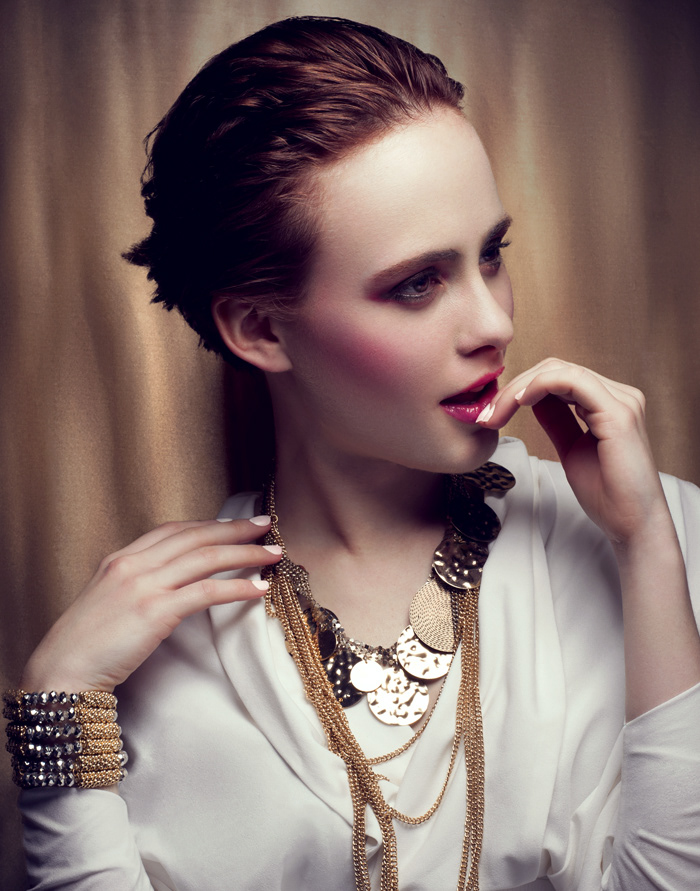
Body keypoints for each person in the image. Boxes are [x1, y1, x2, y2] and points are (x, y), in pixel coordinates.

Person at [7, 15, 700, 891]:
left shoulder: (651, 538)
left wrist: (649, 548)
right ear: (261, 329)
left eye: (491, 255)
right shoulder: (164, 656)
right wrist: (59, 700)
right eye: (418, 283)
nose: (494, 322)